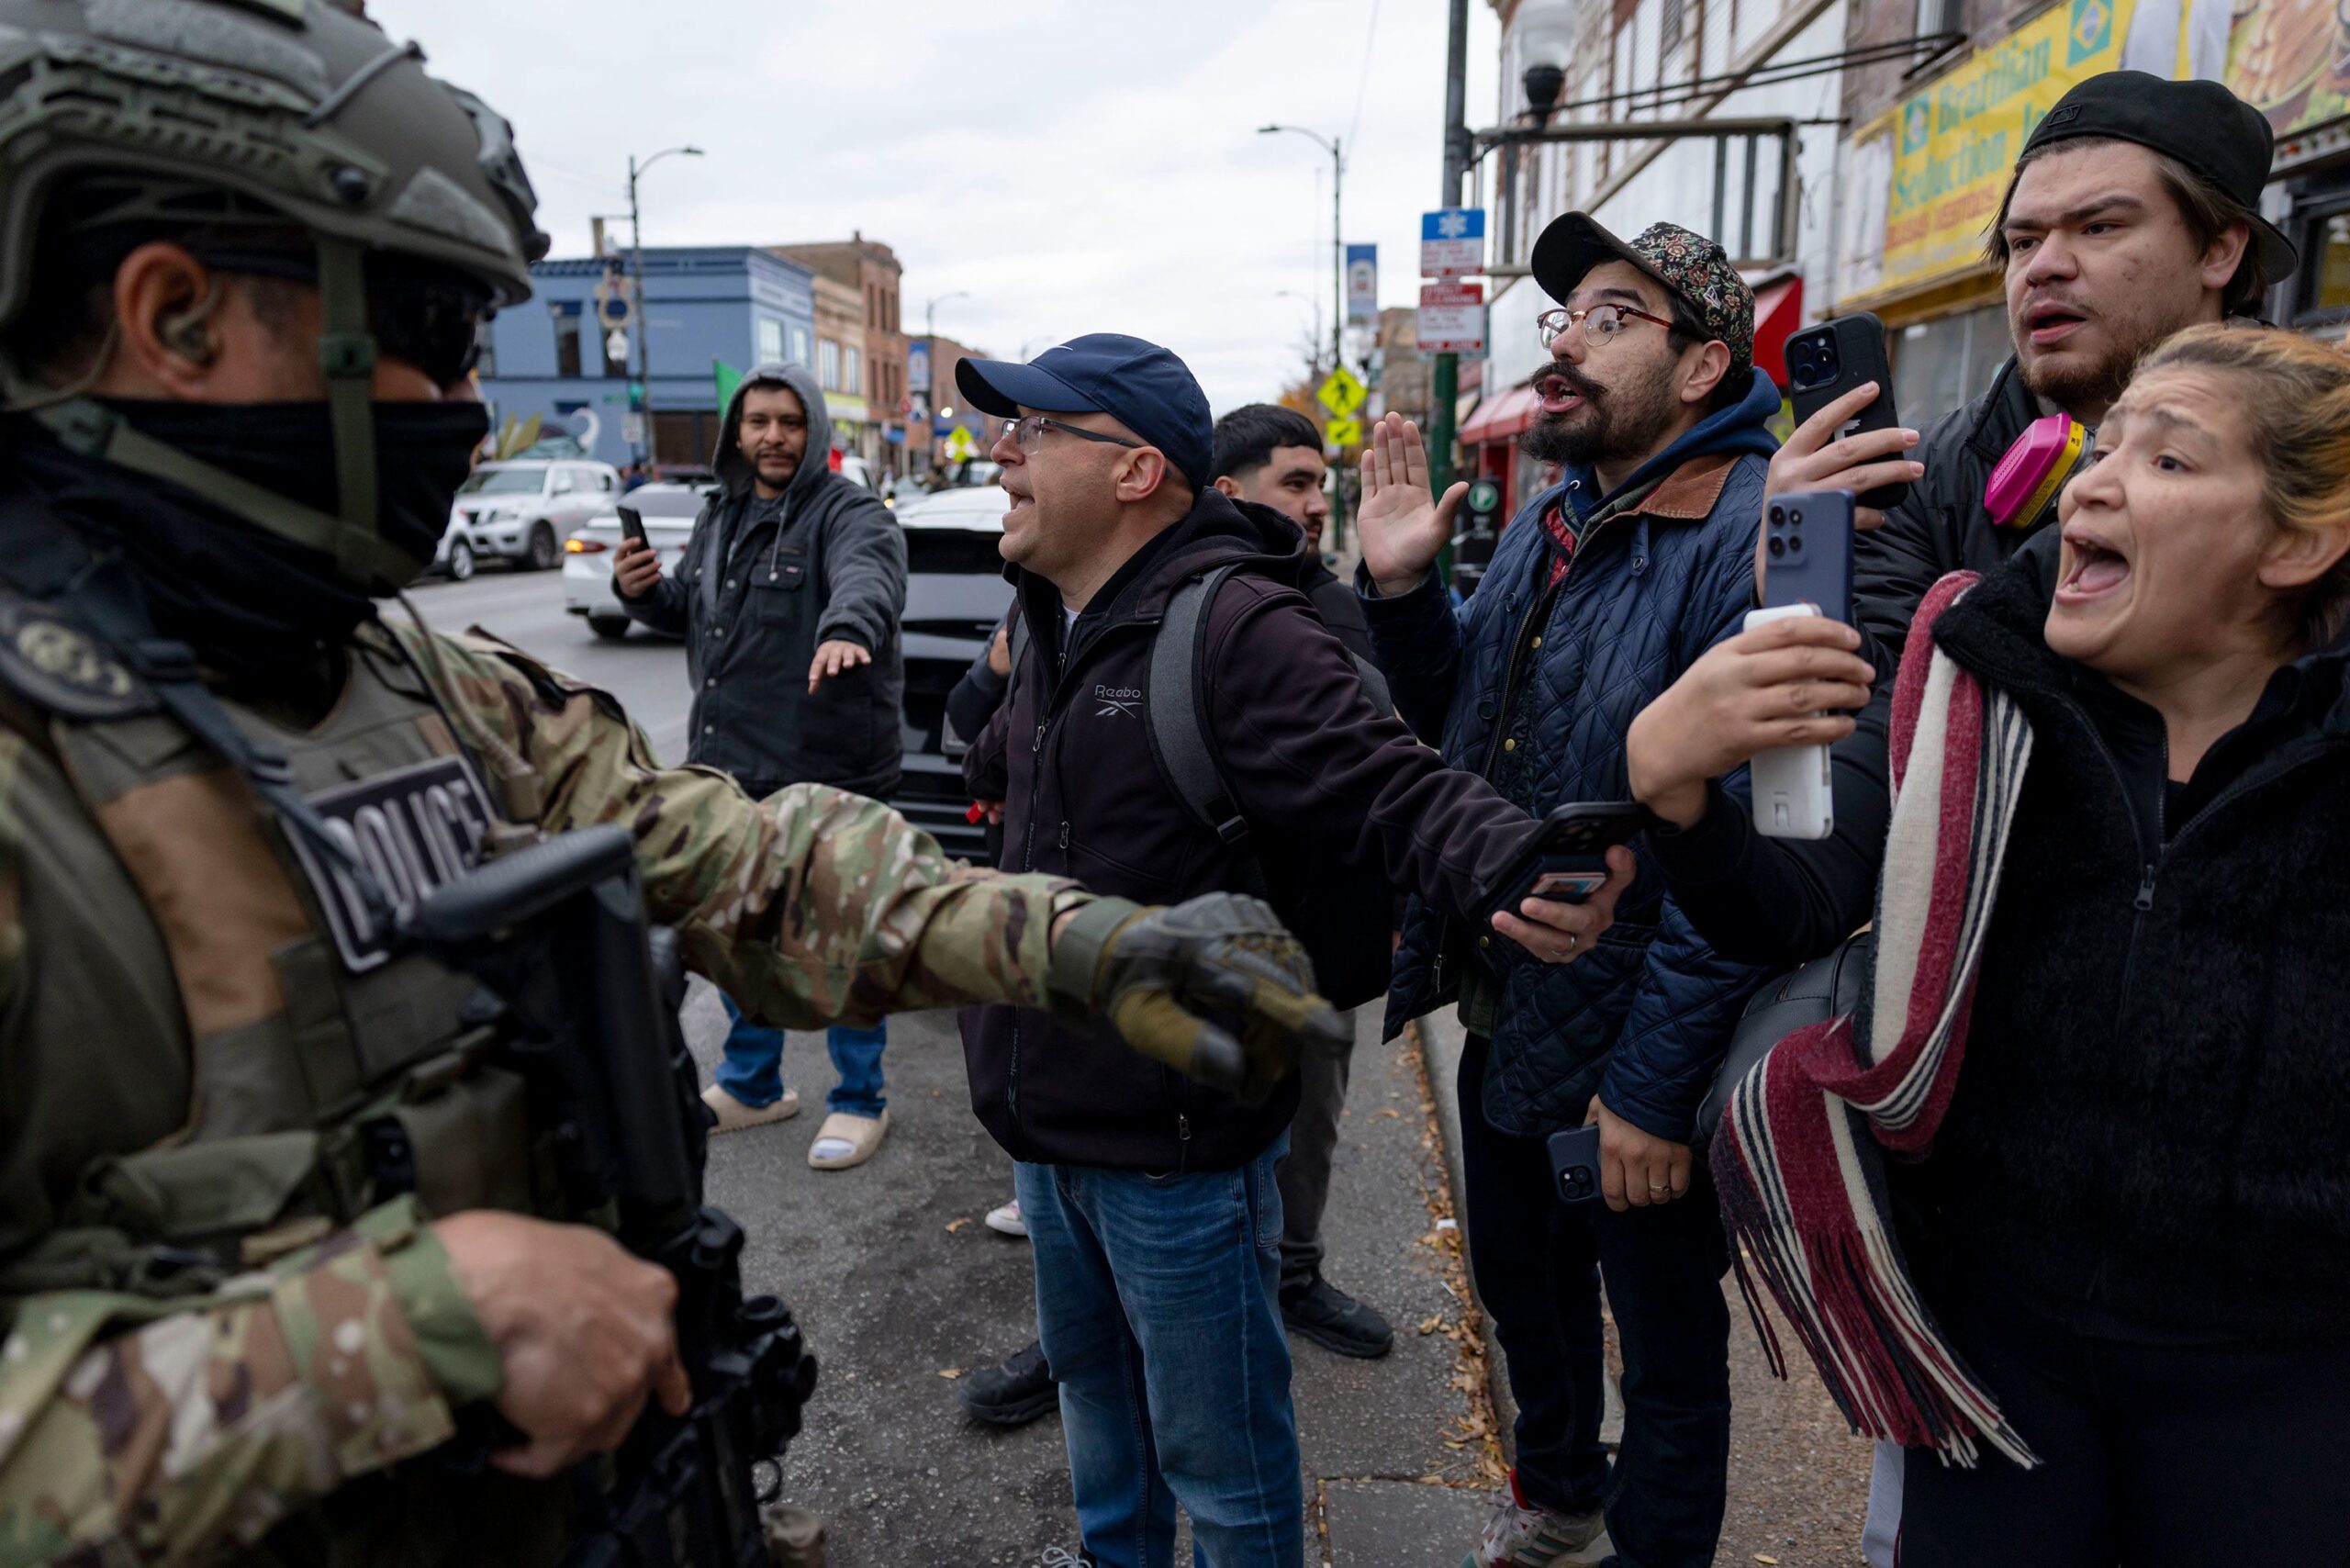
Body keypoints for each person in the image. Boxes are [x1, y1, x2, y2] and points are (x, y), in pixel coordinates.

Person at [0, 10, 1343, 1562]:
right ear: (170, 314)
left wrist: (1066, 942)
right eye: (433, 328)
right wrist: (381, 1341)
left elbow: (718, 853)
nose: (461, 391)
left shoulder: (398, 675)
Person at [1628, 324, 2350, 1568]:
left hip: (2286, 1384)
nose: (2097, 483)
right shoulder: (1978, 686)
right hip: (1998, 1365)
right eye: (2101, 449)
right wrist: (1675, 796)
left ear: (2296, 540)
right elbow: (1786, 907)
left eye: (2168, 464)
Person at [955, 334, 1627, 1568]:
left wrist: (1517, 867)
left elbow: (1391, 783)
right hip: (1046, 1126)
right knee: (1102, 1429)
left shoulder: (1237, 628)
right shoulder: (1058, 614)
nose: (1004, 456)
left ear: (1137, 470)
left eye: (1034, 432)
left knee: (1225, 1474)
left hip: (1174, 1150)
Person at [1353, 215, 1778, 1568]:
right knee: (1520, 1290)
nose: (1567, 345)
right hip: (1507, 999)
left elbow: (1763, 841)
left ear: (1705, 362)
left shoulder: (1755, 528)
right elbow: (1457, 714)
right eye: (1564, 320)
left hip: (1643, 1037)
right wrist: (1406, 592)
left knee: (1661, 1352)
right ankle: (1554, 1498)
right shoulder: (1554, 510)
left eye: (1608, 316)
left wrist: (1651, 1089)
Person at [1766, 70, 2297, 673]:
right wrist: (1796, 577)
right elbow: (1870, 722)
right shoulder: (1917, 480)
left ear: (2219, 251)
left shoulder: (2318, 456)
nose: (2043, 267)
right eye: (2022, 242)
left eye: (2098, 227)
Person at [613, 364, 906, 1170]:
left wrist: (848, 625)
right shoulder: (722, 518)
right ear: (735, 433)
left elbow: (868, 579)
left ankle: (859, 1099)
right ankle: (751, 1085)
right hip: (730, 771)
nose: (773, 437)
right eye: (758, 422)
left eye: (790, 421)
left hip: (828, 775)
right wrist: (639, 593)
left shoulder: (850, 515)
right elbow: (688, 612)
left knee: (842, 942)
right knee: (741, 934)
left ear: (815, 428)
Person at [1211, 401, 1396, 1358]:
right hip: (1196, 932)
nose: (1317, 503)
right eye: (1296, 482)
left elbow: (1386, 740)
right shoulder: (1171, 596)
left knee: (1308, 1121)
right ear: (1226, 491)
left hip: (1314, 933)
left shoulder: (1324, 599)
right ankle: (1103, 1319)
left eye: (1321, 483)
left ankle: (1294, 1274)